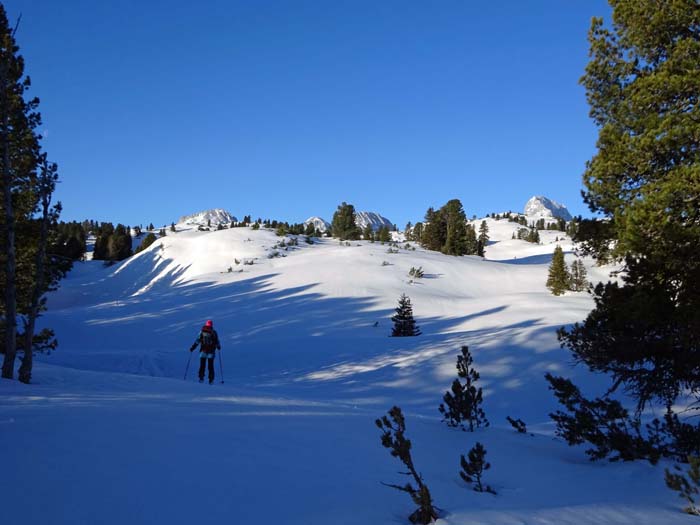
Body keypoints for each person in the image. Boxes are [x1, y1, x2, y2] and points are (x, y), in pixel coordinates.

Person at [190, 319, 221, 384]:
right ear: (212, 325)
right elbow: (217, 341)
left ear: (206, 324)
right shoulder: (214, 332)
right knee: (210, 366)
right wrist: (218, 347)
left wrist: (193, 348)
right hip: (211, 352)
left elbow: (197, 340)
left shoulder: (202, 331)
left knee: (202, 365)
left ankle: (201, 378)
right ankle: (211, 380)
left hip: (203, 351)